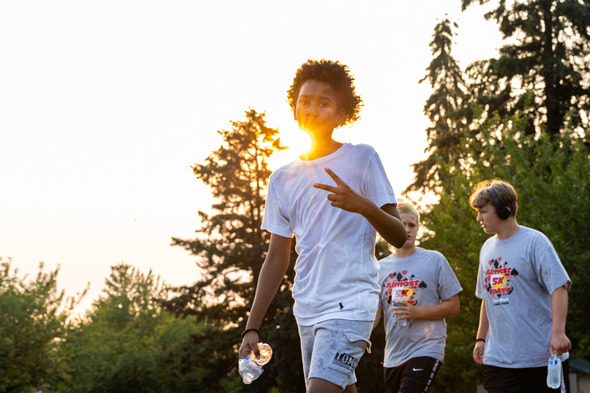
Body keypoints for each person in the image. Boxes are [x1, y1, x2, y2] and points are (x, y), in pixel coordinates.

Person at [238, 59, 406, 393]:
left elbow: (399, 236)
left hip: (352, 302)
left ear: (342, 114)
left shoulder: (362, 158)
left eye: (324, 102)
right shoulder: (282, 179)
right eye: (305, 101)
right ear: (294, 108)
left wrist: (363, 205)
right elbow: (276, 259)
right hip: (308, 308)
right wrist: (251, 328)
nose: (312, 108)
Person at [469, 179, 572, 393]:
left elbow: (559, 287)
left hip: (540, 357)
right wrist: (481, 338)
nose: (478, 217)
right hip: (498, 360)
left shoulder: (535, 242)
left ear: (505, 211)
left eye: (483, 211)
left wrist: (559, 333)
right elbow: (487, 298)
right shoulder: (486, 248)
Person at [373, 203, 462, 393]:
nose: (407, 229)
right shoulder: (379, 268)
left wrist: (417, 312)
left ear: (418, 228)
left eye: (412, 225)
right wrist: (359, 335)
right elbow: (375, 314)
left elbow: (454, 306)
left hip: (426, 348)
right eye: (401, 224)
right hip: (393, 355)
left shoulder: (434, 260)